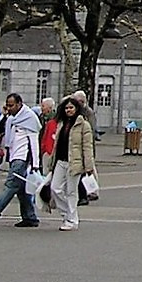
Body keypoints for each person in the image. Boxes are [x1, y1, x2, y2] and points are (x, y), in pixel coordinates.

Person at [0, 93, 42, 228]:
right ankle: (30, 216)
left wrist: (35, 164)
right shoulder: (11, 119)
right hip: (14, 156)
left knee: (11, 185)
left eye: (11, 105)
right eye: (7, 105)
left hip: (22, 158)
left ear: (19, 104)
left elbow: (34, 143)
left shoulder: (29, 118)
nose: (9, 108)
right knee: (22, 189)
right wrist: (4, 115)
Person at [44, 95, 95, 231]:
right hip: (61, 160)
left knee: (72, 191)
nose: (68, 110)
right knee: (55, 188)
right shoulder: (62, 124)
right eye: (66, 108)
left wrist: (88, 166)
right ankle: (68, 214)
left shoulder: (83, 125)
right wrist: (52, 162)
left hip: (75, 162)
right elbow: (56, 144)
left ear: (77, 108)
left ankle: (71, 219)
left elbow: (87, 146)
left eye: (71, 107)